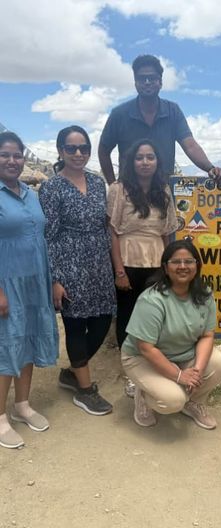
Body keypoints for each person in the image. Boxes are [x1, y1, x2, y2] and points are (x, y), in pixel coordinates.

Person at [39, 126, 115, 416]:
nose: (79, 153)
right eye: (71, 148)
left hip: (98, 263)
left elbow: (104, 225)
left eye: (84, 147)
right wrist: (55, 278)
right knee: (75, 326)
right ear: (60, 151)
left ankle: (72, 372)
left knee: (102, 319)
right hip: (69, 264)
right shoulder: (52, 187)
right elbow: (49, 236)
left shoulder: (98, 184)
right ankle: (84, 391)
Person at [121, 240, 221, 430]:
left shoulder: (204, 294)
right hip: (142, 358)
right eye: (176, 262)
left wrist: (197, 372)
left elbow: (207, 335)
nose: (183, 266)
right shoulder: (152, 299)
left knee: (218, 364)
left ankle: (193, 402)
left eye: (189, 261)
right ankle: (143, 394)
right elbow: (146, 348)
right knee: (173, 401)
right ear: (165, 267)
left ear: (197, 265)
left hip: (184, 354)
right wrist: (179, 376)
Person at [0, 131, 58, 449]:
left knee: (29, 341)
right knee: (7, 346)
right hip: (6, 282)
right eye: (4, 154)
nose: (12, 160)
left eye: (17, 155)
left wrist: (48, 282)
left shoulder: (29, 194)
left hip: (35, 279)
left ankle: (22, 405)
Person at [98, 54, 221, 183]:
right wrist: (113, 184)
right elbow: (103, 150)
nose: (147, 82)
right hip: (129, 193)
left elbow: (190, 146)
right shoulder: (119, 114)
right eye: (142, 78)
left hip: (164, 193)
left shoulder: (172, 111)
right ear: (135, 82)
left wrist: (210, 168)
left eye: (152, 78)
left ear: (160, 82)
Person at [108, 138, 178, 350]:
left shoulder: (163, 190)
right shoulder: (118, 189)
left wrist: (169, 268)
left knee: (154, 313)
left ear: (157, 161)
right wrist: (119, 272)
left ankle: (150, 361)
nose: (145, 162)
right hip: (127, 261)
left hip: (157, 262)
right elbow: (112, 232)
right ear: (132, 161)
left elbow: (166, 232)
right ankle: (128, 362)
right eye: (139, 158)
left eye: (150, 157)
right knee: (127, 313)